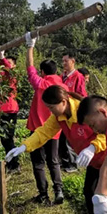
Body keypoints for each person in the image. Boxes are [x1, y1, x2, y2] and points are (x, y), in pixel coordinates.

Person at [6, 85, 107, 214]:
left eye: (51, 107)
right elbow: (44, 132)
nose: (50, 111)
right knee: (90, 193)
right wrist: (24, 146)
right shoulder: (60, 117)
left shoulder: (83, 111)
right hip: (94, 162)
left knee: (102, 197)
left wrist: (93, 147)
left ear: (63, 102)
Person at [24, 31, 65, 204]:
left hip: (38, 130)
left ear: (42, 72)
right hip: (54, 131)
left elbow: (29, 66)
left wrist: (30, 46)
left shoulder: (41, 83)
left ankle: (43, 195)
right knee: (54, 161)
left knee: (39, 163)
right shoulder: (62, 86)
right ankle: (58, 190)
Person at [57, 53, 87, 172]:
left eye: (66, 61)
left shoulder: (78, 76)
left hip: (73, 111)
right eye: (63, 61)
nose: (64, 63)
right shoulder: (61, 76)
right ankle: (64, 161)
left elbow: (82, 94)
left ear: (73, 61)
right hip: (62, 110)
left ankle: (72, 164)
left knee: (69, 139)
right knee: (62, 138)